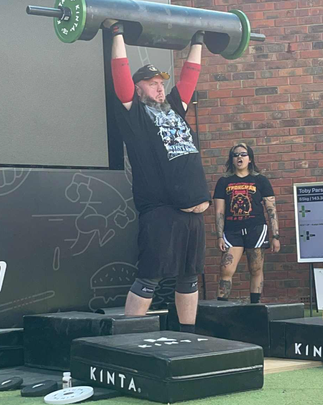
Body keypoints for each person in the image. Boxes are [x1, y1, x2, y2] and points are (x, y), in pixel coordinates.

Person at [105, 20, 210, 333]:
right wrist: (117, 33)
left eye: (161, 82)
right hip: (161, 212)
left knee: (189, 278)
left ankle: (188, 336)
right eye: (152, 83)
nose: (160, 87)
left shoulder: (174, 108)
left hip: (193, 214)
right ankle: (128, 339)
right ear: (138, 90)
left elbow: (190, 77)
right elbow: (120, 75)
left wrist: (198, 40)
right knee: (148, 278)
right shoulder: (134, 115)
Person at [213, 143, 280, 304]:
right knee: (226, 269)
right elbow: (219, 211)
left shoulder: (260, 180)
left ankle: (255, 306)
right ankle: (221, 306)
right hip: (232, 231)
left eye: (243, 154)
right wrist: (219, 236)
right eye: (235, 155)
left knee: (256, 269)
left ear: (250, 159)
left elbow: (271, 209)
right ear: (232, 159)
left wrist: (275, 236)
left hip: (256, 229)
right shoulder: (224, 181)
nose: (239, 157)